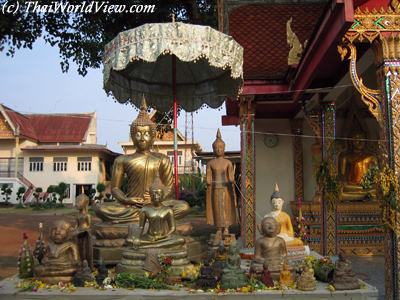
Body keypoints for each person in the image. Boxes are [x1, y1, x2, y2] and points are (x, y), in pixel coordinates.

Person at [94, 97, 190, 223]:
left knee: (183, 207)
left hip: (157, 203)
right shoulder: (122, 160)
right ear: (133, 137)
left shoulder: (162, 159)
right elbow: (115, 188)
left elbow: (168, 187)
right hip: (132, 205)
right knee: (100, 209)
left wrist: (155, 199)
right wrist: (127, 200)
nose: (142, 138)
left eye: (146, 134)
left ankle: (145, 217)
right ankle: (152, 218)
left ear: (152, 137)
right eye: (138, 134)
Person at [206, 129, 238, 246]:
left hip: (225, 190)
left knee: (225, 208)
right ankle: (219, 229)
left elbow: (231, 177)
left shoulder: (228, 163)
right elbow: (208, 177)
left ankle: (226, 228)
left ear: (224, 148)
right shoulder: (210, 163)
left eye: (221, 147)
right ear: (213, 149)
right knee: (217, 209)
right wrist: (208, 181)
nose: (218, 149)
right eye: (216, 148)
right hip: (215, 189)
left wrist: (231, 180)